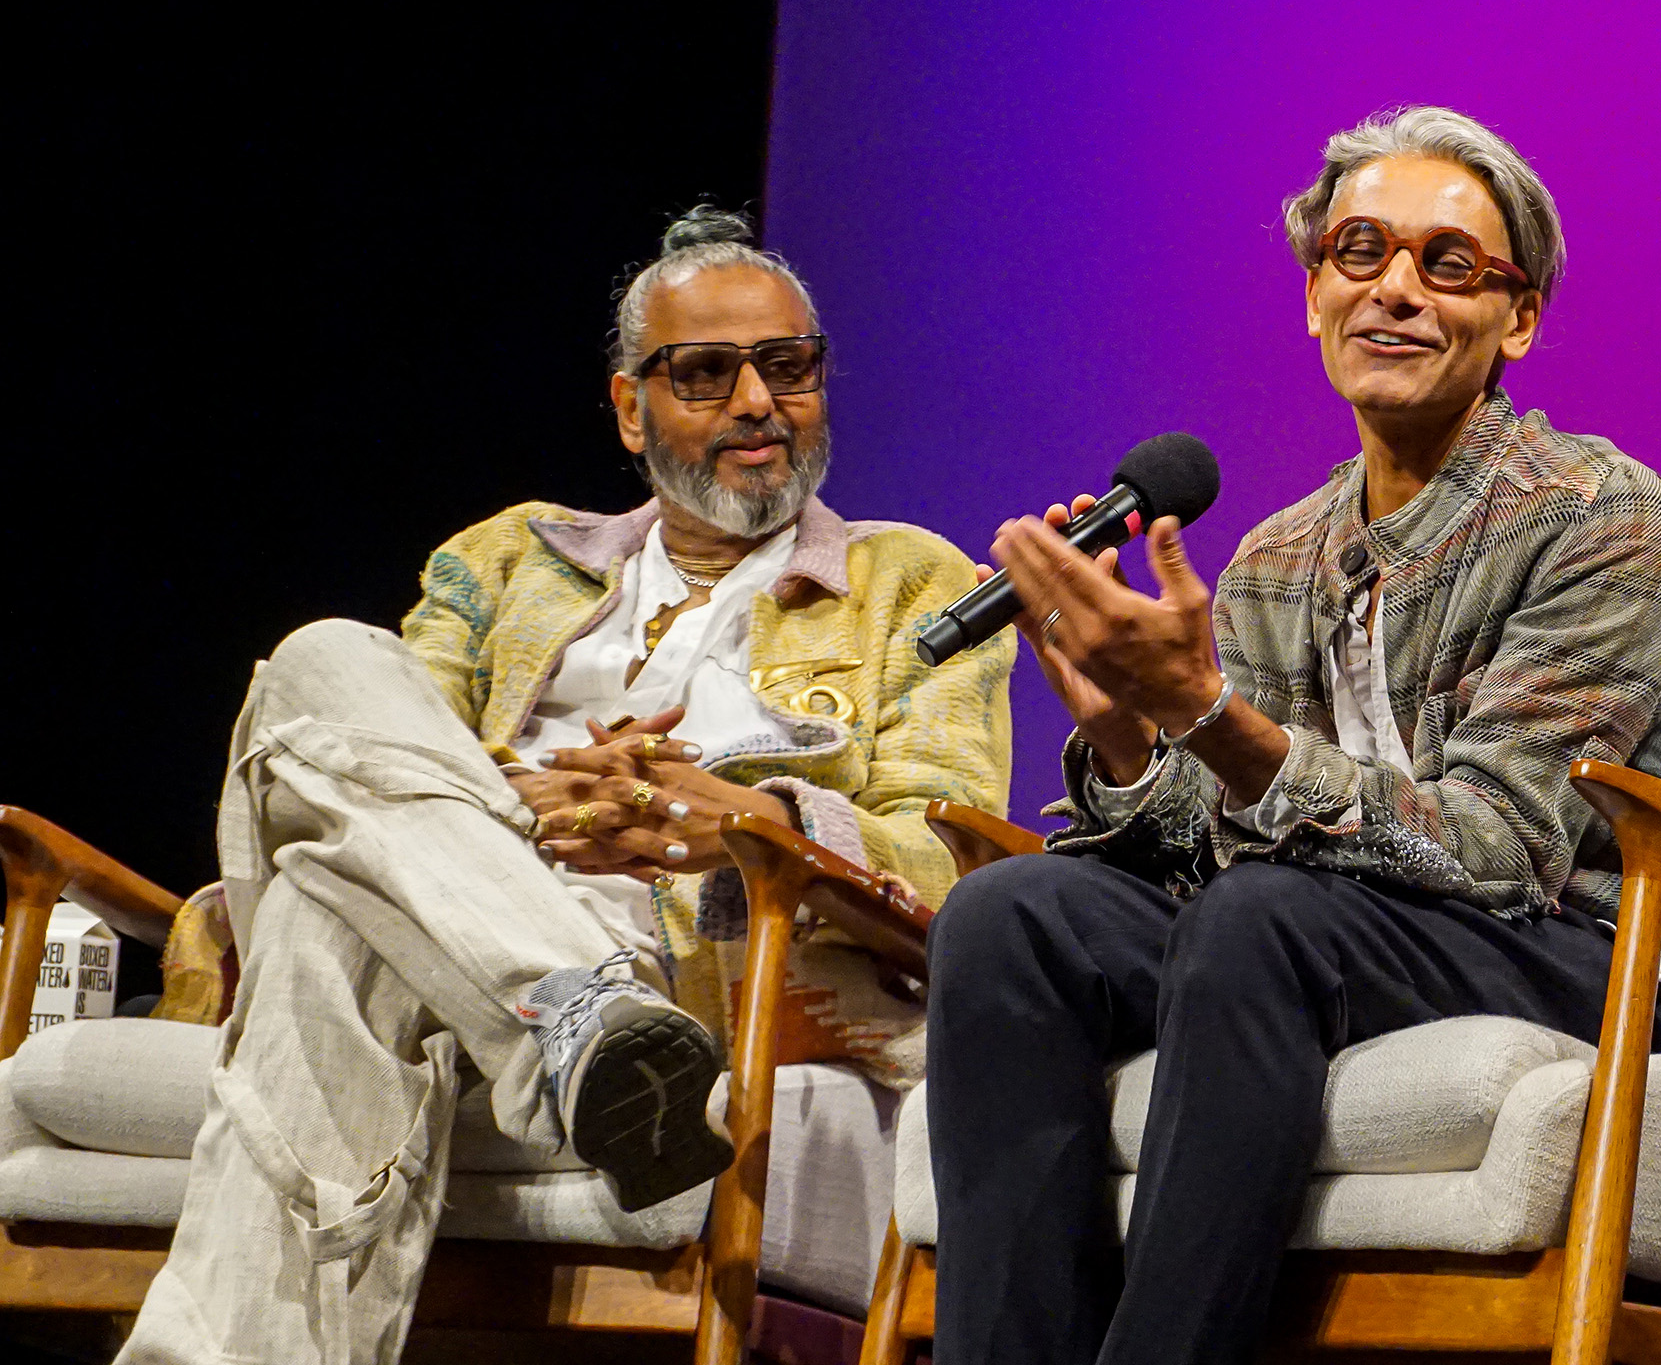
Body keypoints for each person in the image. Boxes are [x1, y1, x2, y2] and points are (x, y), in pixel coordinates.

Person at [923, 106, 1661, 1365]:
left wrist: (1208, 713)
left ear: (1519, 318)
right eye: (1359, 251)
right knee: (1012, 918)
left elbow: (1499, 849)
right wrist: (1128, 739)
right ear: (1313, 293)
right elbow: (1223, 837)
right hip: (1347, 928)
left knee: (1265, 915)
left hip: (1609, 948)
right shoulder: (1281, 554)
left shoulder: (1599, 514)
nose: (1395, 287)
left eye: (1447, 264)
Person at [120, 208, 1014, 1365]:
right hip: (479, 926)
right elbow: (360, 765)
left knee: (318, 910)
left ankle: (582, 1018)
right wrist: (531, 807)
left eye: (787, 366)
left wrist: (745, 815)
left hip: (693, 968)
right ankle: (571, 1005)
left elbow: (949, 861)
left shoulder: (912, 582)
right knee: (321, 661)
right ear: (631, 407)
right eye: (706, 371)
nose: (758, 402)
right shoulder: (502, 559)